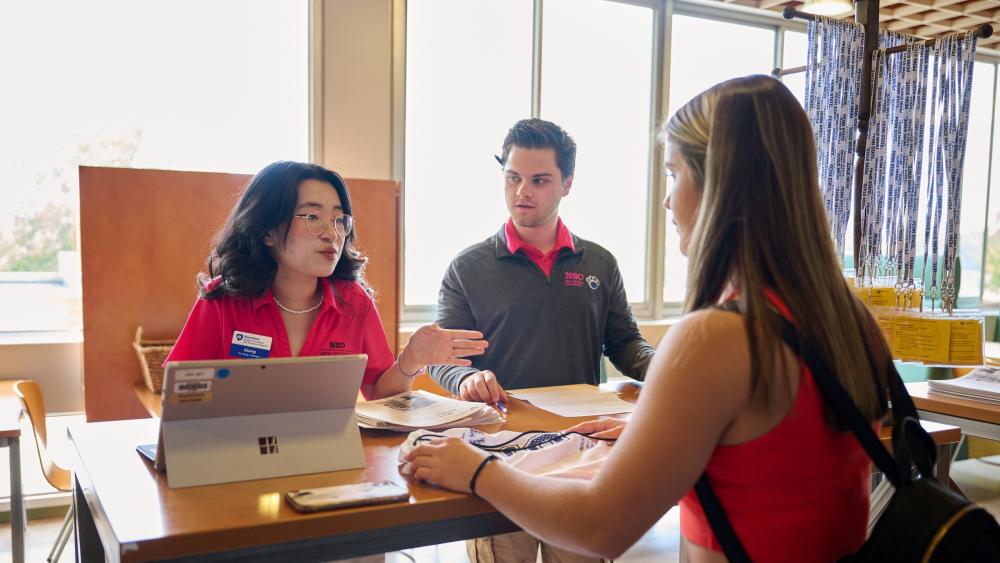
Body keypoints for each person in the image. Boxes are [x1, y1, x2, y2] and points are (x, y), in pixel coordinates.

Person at [405, 76, 890, 562]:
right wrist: (659, 424)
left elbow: (602, 524)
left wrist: (475, 470)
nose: (666, 201)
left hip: (547, 455)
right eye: (513, 177)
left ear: (718, 184)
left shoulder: (714, 337)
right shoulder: (855, 324)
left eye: (674, 175)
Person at [167, 161, 487, 400]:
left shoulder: (354, 301)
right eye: (312, 217)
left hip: (328, 462)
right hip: (237, 456)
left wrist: (411, 360)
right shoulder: (223, 299)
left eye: (338, 219)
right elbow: (180, 392)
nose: (330, 232)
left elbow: (379, 392)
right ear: (266, 230)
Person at [430, 118, 655, 407]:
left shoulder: (601, 264)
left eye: (539, 180)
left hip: (582, 428)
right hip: (501, 429)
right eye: (513, 178)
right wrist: (465, 379)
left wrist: (661, 366)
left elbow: (624, 342)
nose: (523, 191)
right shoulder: (466, 268)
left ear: (567, 184)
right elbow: (442, 359)